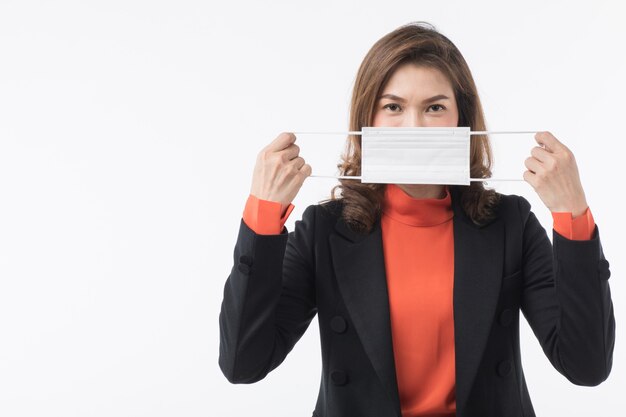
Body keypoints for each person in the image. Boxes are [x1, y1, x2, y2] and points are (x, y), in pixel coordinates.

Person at [218, 21, 615, 417]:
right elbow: (243, 364)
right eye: (393, 106)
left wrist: (573, 215)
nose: (414, 126)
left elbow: (587, 366)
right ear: (367, 120)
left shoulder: (510, 222)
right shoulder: (323, 230)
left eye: (435, 108)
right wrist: (264, 213)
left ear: (463, 121)